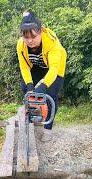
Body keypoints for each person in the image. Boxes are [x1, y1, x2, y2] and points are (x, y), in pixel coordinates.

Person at [17, 11, 67, 142]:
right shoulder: (20, 45)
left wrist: (43, 87)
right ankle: (34, 114)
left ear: (40, 31)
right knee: (26, 88)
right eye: (26, 37)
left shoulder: (51, 42)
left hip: (54, 69)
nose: (29, 41)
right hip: (37, 67)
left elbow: (54, 69)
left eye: (33, 37)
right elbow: (24, 67)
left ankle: (48, 129)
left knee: (50, 94)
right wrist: (29, 86)